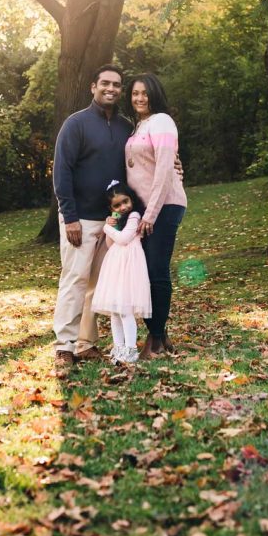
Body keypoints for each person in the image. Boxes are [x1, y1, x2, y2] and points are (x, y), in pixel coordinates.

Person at [52, 65, 132, 376]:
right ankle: (64, 346)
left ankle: (86, 344)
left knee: (97, 286)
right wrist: (69, 217)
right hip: (80, 219)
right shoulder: (76, 124)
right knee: (74, 280)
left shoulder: (126, 127)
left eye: (117, 85)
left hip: (112, 220)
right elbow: (62, 172)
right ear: (93, 87)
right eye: (105, 83)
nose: (111, 88)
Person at [125, 73, 187, 360]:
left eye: (145, 93)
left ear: (155, 94)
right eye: (135, 93)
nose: (139, 98)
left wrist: (150, 214)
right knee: (144, 272)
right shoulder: (140, 125)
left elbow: (164, 169)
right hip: (146, 209)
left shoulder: (161, 120)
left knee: (155, 270)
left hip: (163, 207)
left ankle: (156, 338)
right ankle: (159, 334)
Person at [91, 180, 152, 365]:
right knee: (115, 312)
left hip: (130, 266)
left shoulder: (134, 216)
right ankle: (118, 348)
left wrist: (106, 227)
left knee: (125, 310)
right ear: (112, 208)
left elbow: (125, 239)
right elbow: (111, 244)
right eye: (117, 205)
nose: (123, 207)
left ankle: (131, 349)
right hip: (116, 265)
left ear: (131, 199)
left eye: (125, 201)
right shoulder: (119, 220)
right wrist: (113, 225)